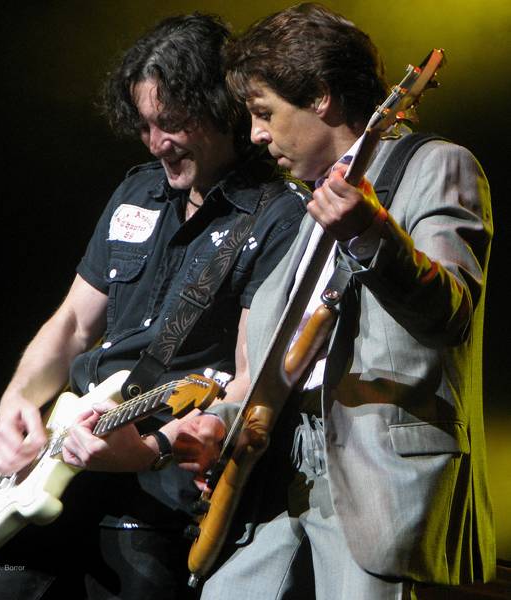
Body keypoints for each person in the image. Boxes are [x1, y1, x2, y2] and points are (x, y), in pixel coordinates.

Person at [0, 13, 306, 600]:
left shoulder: (276, 216)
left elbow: (248, 379)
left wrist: (151, 448)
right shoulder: (137, 190)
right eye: (145, 126)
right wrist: (16, 398)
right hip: (53, 467)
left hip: (152, 503)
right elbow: (73, 323)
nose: (156, 143)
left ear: (222, 107)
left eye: (171, 124)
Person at [177, 3, 496, 599]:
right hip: (276, 474)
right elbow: (281, 363)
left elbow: (452, 312)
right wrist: (214, 425)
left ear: (321, 96)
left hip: (375, 482)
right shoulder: (309, 211)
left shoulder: (438, 166)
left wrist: (372, 233)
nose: (255, 135)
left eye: (264, 113)